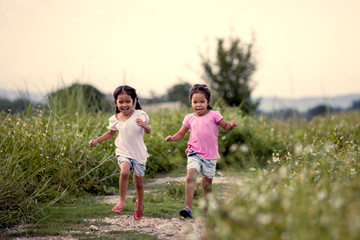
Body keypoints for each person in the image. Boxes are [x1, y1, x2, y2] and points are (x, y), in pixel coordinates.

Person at [165, 84, 237, 219]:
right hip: (194, 153)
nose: (198, 105)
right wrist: (172, 138)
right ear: (191, 102)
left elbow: (226, 126)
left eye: (202, 102)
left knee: (206, 185)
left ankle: (206, 208)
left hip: (210, 156)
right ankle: (188, 208)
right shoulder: (189, 118)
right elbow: (181, 133)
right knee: (190, 177)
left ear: (208, 102)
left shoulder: (214, 115)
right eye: (195, 102)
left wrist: (231, 125)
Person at [89, 85, 151, 221]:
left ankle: (140, 204)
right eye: (121, 102)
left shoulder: (140, 115)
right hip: (123, 151)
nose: (124, 105)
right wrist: (96, 141)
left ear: (134, 100)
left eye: (127, 101)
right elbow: (111, 133)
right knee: (124, 172)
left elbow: (148, 131)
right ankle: (122, 200)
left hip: (139, 153)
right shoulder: (114, 119)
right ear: (116, 103)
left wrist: (144, 125)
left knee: (138, 183)